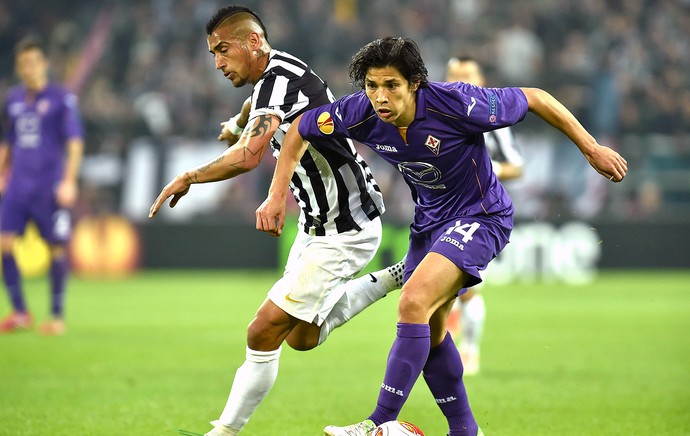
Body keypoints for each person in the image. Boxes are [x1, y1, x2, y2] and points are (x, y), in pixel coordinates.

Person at [256, 37, 627, 436]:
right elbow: (300, 129)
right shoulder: (358, 112)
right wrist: (277, 194)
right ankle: (466, 432)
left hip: (480, 216)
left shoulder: (457, 103)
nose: (380, 97)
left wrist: (591, 149)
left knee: (413, 302)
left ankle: (376, 424)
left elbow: (535, 97)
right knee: (431, 330)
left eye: (392, 86)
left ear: (415, 83)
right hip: (430, 224)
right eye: (372, 85)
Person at [147, 7, 404, 436]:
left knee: (262, 331)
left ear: (253, 42)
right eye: (212, 54)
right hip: (316, 225)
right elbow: (257, 108)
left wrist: (191, 175)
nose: (218, 64)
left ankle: (224, 432)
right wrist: (236, 124)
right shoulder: (273, 80)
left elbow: (251, 155)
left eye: (223, 50)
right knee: (302, 338)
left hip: (346, 227)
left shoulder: (282, 79)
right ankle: (393, 279)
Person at [444, 56, 525, 375]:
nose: (461, 83)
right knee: (445, 288)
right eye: (455, 76)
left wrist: (489, 169)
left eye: (468, 76)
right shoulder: (437, 114)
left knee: (469, 288)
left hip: (480, 212)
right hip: (443, 211)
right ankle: (449, 341)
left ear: (481, 80)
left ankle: (470, 352)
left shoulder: (493, 119)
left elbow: (517, 167)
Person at [0, 36, 84, 336]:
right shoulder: (12, 100)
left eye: (34, 62)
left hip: (48, 187)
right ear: (18, 68)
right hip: (17, 188)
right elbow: (8, 143)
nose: (29, 68)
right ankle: (20, 312)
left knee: (56, 249)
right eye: (23, 63)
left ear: (44, 64)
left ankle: (56, 316)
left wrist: (69, 181)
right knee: (4, 244)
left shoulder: (62, 99)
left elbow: (74, 143)